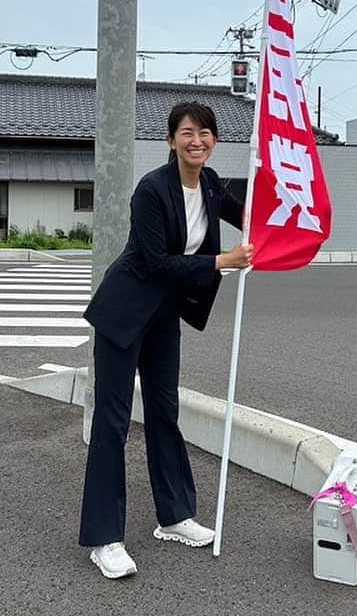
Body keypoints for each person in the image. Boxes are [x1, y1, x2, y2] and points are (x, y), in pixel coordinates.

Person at [79, 101, 253, 579]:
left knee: (164, 413)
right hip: (124, 313)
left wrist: (289, 205)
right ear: (171, 139)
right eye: (187, 133)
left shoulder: (213, 184)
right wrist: (223, 262)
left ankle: (174, 515)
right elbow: (156, 263)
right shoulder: (152, 189)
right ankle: (104, 538)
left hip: (163, 317)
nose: (197, 141)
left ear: (215, 140)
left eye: (206, 133)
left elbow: (253, 215)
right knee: (112, 424)